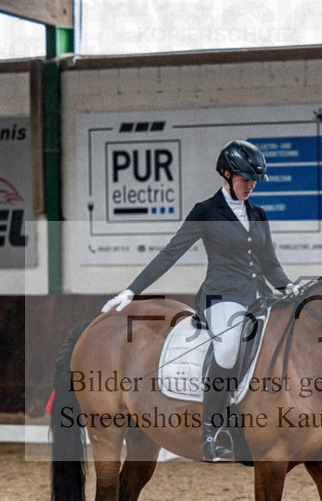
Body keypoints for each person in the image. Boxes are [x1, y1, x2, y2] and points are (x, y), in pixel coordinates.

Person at [101, 140, 302, 462]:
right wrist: (132, 290)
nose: (250, 186)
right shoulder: (206, 212)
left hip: (259, 296)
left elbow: (270, 263)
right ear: (226, 174)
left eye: (253, 181)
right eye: (244, 179)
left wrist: (289, 287)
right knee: (226, 347)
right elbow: (171, 252)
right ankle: (212, 431)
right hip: (222, 297)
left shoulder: (258, 213)